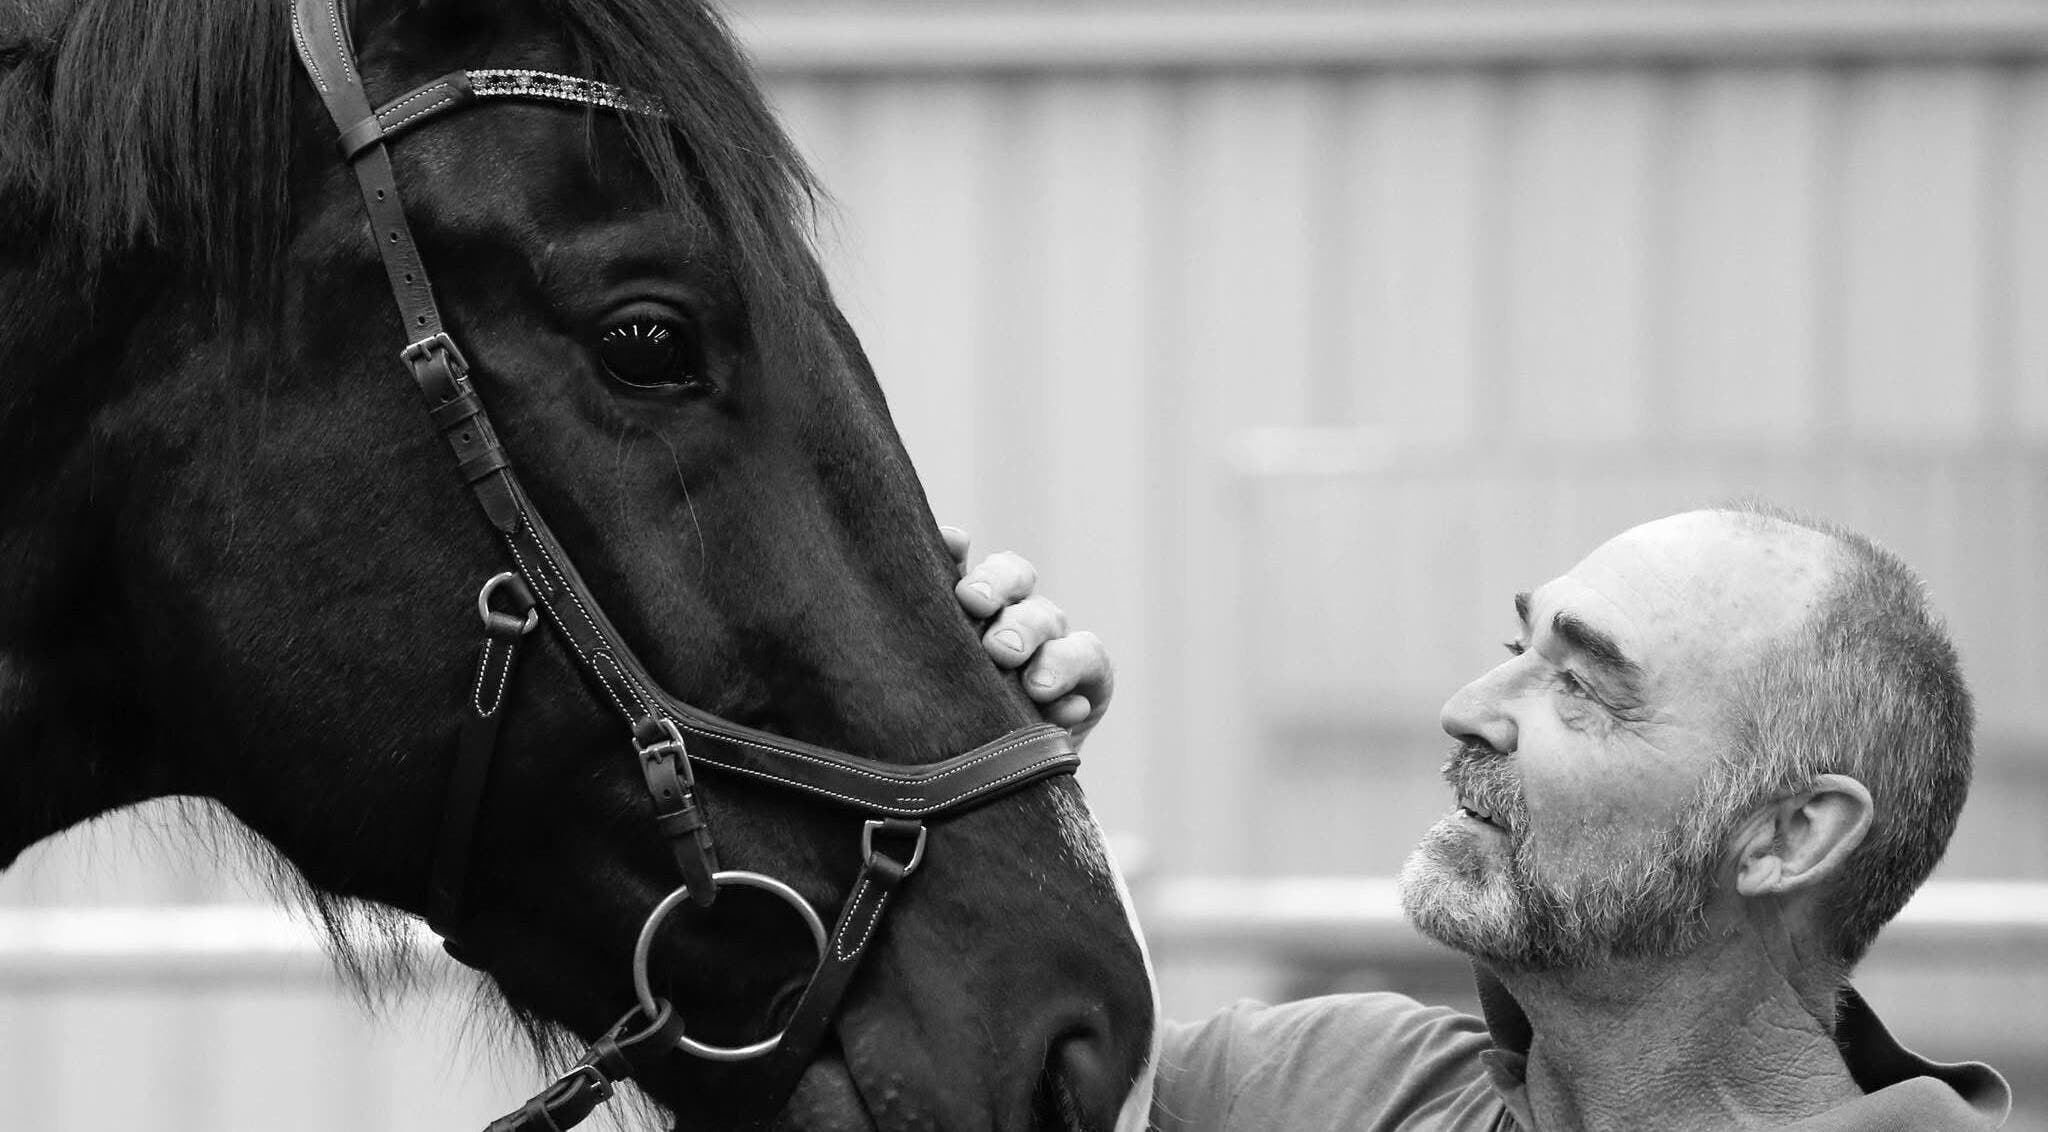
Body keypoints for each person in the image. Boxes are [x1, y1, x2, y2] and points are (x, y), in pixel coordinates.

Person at [948, 505, 2013, 1131]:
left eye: (1582, 688)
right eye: (1519, 650)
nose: (1466, 711)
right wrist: (966, 755)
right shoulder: (1320, 1086)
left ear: (1788, 836)